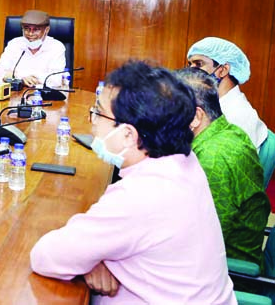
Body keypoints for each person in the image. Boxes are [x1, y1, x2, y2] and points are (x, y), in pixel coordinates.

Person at [30, 61, 235, 304]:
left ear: (128, 134)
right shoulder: (185, 162)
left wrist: (89, 258)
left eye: (98, 113)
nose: (93, 122)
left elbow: (45, 257)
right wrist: (94, 258)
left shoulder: (140, 196)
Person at [175, 67, 268, 267]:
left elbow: (198, 243)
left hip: (226, 271)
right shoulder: (225, 130)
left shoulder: (214, 160)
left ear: (195, 117)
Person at [187, 37, 269, 149]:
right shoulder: (209, 106)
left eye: (199, 64)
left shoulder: (238, 116)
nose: (191, 70)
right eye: (190, 64)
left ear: (223, 70)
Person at [0, 10, 66, 88]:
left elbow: (56, 80)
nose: (30, 33)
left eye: (36, 29)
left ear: (46, 30)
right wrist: (21, 78)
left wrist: (14, 75)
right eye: (27, 29)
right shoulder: (14, 44)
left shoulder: (56, 47)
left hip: (43, 97)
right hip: (14, 96)